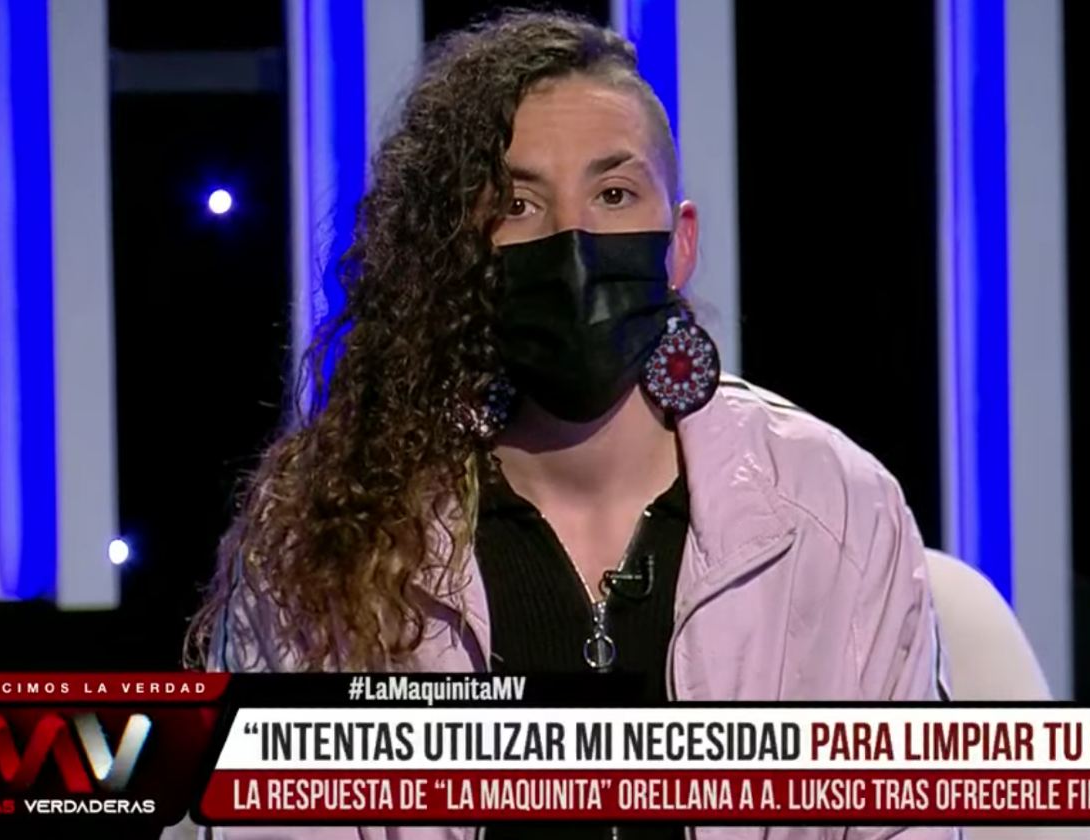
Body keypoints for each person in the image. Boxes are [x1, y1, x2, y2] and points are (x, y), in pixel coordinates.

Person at [186, 11, 954, 840]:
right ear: (462, 254)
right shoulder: (332, 534)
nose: (573, 243)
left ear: (680, 243)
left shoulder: (836, 509)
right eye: (518, 204)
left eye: (614, 194)